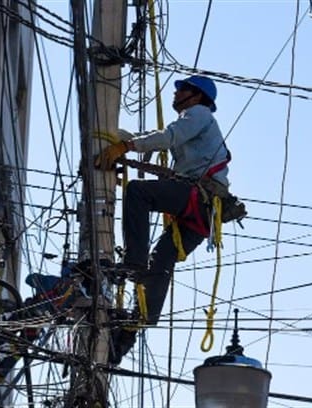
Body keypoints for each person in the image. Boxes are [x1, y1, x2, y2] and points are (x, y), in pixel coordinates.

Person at [96, 75, 231, 364]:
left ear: (196, 96)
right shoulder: (193, 120)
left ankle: (133, 261)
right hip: (204, 214)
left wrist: (127, 147)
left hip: (199, 197)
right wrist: (126, 143)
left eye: (181, 89)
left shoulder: (199, 114)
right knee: (162, 259)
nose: (176, 92)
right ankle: (130, 331)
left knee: (138, 192)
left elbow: (169, 137)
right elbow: (164, 135)